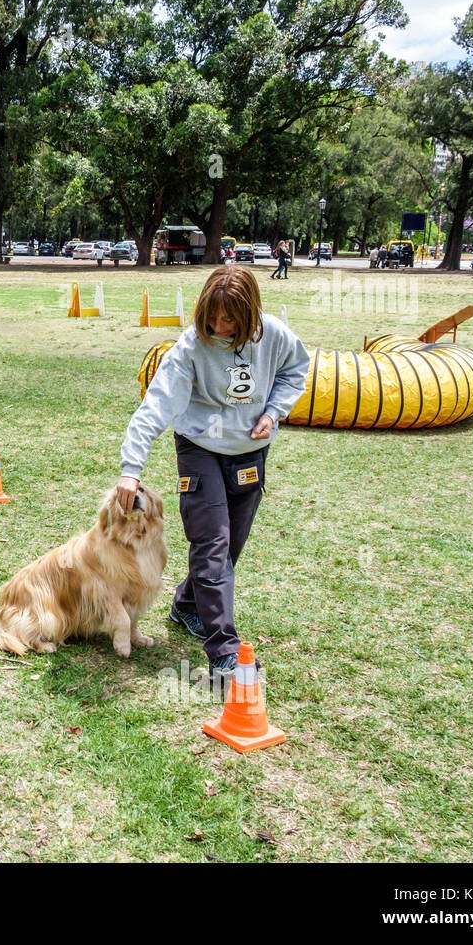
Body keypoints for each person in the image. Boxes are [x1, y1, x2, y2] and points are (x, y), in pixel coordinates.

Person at [116, 266, 310, 682]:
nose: (219, 327)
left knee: (230, 545)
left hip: (249, 451)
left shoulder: (274, 334)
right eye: (212, 318)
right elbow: (155, 407)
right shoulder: (189, 348)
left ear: (249, 315)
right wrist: (131, 469)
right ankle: (223, 652)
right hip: (200, 447)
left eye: (230, 320)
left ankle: (187, 606)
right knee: (212, 541)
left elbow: (296, 370)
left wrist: (274, 412)